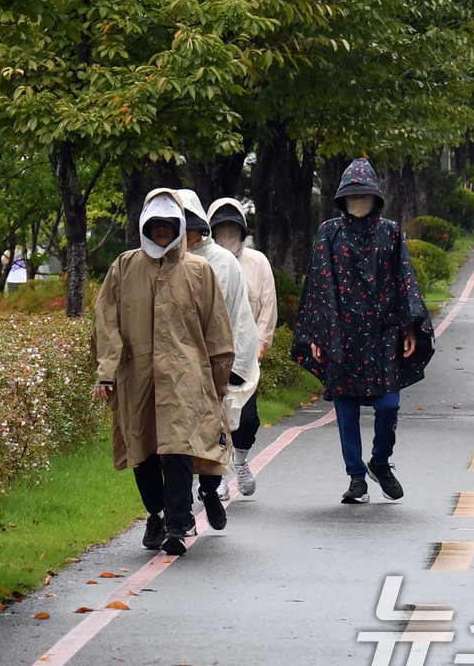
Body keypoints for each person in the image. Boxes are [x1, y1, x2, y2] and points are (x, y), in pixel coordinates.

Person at [92, 189, 236, 555]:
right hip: (136, 375)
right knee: (142, 450)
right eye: (154, 224)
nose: (161, 231)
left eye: (167, 224)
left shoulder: (199, 271)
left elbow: (217, 329)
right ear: (144, 225)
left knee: (178, 449)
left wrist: (219, 380)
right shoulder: (124, 267)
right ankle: (155, 514)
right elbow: (106, 321)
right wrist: (107, 371)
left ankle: (177, 522)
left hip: (185, 377)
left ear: (178, 225)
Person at [293, 158, 434, 504]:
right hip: (341, 335)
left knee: (388, 405)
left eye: (364, 196)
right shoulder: (329, 232)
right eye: (352, 196)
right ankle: (356, 477)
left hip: (383, 333)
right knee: (346, 410)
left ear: (374, 197)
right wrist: (317, 335)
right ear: (342, 198)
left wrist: (411, 328)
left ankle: (380, 461)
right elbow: (319, 286)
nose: (358, 202)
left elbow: (405, 281)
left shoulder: (391, 231)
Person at [175, 191, 262, 500]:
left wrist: (233, 370)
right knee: (180, 442)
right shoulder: (160, 264)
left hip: (219, 367)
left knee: (233, 426)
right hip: (178, 369)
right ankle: (181, 509)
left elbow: (240, 317)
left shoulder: (224, 263)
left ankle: (220, 480)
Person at [207, 196, 278, 499]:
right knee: (216, 417)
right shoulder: (202, 262)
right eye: (220, 229)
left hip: (245, 354)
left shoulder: (257, 262)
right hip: (211, 355)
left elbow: (268, 306)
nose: (227, 235)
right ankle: (219, 475)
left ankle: (240, 460)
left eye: (231, 229)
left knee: (246, 419)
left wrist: (261, 342)